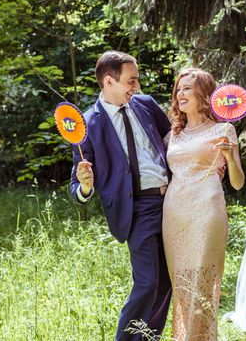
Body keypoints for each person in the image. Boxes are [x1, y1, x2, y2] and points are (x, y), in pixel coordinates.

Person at [69, 50, 172, 341]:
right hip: (137, 209)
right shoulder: (87, 125)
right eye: (131, 80)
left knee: (166, 282)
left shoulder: (147, 105)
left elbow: (174, 139)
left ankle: (149, 338)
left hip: (174, 202)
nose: (136, 87)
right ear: (109, 81)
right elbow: (76, 189)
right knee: (147, 282)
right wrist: (86, 185)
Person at [162, 68, 245, 340]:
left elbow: (238, 183)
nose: (180, 93)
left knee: (202, 280)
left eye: (187, 88)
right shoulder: (172, 134)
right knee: (182, 283)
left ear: (204, 94)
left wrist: (229, 158)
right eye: (179, 88)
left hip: (207, 211)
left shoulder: (224, 130)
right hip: (175, 213)